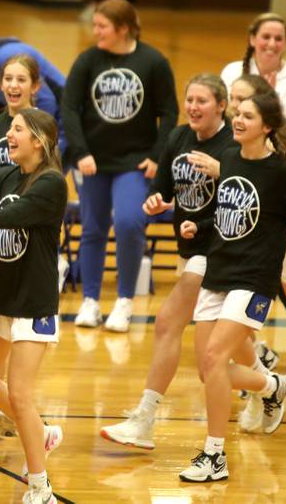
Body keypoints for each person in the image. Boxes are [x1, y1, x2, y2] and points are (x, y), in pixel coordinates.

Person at [177, 93, 286, 483]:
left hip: (254, 279)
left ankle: (214, 455)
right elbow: (231, 217)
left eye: (247, 116)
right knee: (207, 370)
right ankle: (272, 386)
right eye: (237, 114)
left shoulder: (280, 172)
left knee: (213, 360)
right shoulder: (229, 158)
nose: (238, 120)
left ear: (267, 127)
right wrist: (202, 228)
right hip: (219, 272)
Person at [99, 74, 237, 449]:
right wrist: (156, 203)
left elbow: (246, 196)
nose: (193, 107)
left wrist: (222, 173)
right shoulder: (177, 138)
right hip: (189, 249)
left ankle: (145, 420)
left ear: (221, 105)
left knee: (167, 322)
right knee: (223, 355)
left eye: (202, 101)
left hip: (221, 250)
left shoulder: (232, 145)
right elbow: (162, 188)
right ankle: (272, 386)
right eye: (189, 100)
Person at [0, 108, 66, 504]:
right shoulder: (7, 175)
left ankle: (41, 489)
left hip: (33, 303)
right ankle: (39, 433)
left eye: (18, 129)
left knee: (20, 395)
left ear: (38, 141)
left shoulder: (52, 183)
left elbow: (4, 217)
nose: (9, 134)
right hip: (0, 296)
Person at [62, 0, 178, 331]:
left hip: (133, 163)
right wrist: (80, 151)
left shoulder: (153, 61)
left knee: (128, 223)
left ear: (123, 28)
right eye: (95, 25)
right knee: (93, 228)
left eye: (102, 26)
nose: (95, 31)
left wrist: (158, 155)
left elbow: (169, 112)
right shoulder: (88, 61)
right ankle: (91, 301)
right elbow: (70, 108)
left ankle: (125, 301)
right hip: (93, 162)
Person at [221, 12, 286, 372]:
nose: (272, 44)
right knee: (248, 260)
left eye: (279, 38)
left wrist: (264, 98)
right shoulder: (231, 71)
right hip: (244, 174)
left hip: (280, 177)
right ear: (252, 38)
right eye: (265, 37)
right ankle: (253, 345)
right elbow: (227, 117)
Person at [0, 17, 66, 147]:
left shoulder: (7, 56)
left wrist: (39, 139)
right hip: (33, 125)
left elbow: (47, 103)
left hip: (64, 123)